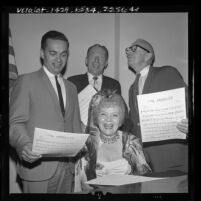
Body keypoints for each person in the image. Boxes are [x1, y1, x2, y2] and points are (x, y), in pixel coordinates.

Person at [9, 30, 82, 193]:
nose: (59, 59)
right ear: (42, 54)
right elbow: (14, 123)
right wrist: (24, 144)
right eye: (53, 53)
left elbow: (75, 125)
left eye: (63, 54)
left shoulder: (72, 88)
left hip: (68, 168)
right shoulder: (26, 81)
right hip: (37, 168)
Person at [125, 38, 189, 173]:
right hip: (145, 163)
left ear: (148, 55)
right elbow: (133, 123)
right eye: (127, 50)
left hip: (172, 159)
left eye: (134, 48)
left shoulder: (167, 73)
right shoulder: (132, 89)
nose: (128, 52)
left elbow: (186, 105)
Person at [81, 90, 151, 184]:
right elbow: (81, 183)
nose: (108, 120)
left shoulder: (131, 142)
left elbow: (145, 178)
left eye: (114, 115)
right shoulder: (86, 145)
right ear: (96, 118)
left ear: (120, 119)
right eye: (103, 114)